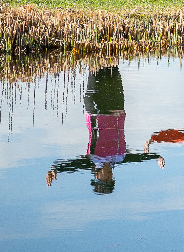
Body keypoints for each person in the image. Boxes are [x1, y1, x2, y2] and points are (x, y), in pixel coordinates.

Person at [46, 65, 164, 193]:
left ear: (97, 177)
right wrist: (156, 156)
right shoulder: (119, 159)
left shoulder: (92, 160)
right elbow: (138, 158)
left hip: (97, 111)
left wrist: (56, 169)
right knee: (113, 68)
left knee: (96, 67)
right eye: (110, 180)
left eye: (105, 180)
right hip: (117, 109)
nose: (109, 177)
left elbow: (74, 165)